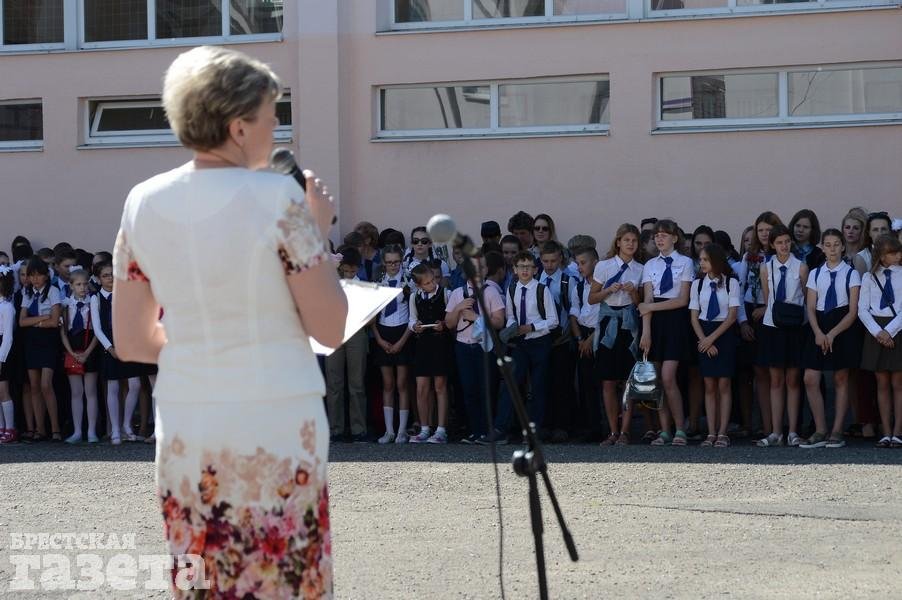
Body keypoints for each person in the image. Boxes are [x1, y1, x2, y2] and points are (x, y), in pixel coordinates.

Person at [110, 46, 345, 597]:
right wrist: (318, 229)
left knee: (204, 580)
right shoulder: (280, 198)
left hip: (188, 422)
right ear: (239, 127)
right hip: (275, 419)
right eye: (270, 116)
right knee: (286, 578)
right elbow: (329, 326)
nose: (276, 127)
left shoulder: (142, 201)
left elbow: (132, 340)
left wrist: (203, 346)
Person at [478, 251, 557, 445]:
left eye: (529, 267)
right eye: (521, 267)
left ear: (535, 270)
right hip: (521, 342)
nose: (525, 270)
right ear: (514, 270)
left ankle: (533, 431)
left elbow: (553, 320)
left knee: (538, 387)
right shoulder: (512, 289)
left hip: (539, 342)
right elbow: (511, 315)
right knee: (511, 383)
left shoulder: (542, 290)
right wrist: (512, 327)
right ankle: (501, 429)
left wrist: (531, 327)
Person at [798, 229, 860, 449]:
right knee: (810, 378)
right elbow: (810, 307)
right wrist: (818, 332)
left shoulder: (852, 274)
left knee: (841, 377)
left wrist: (833, 333)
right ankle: (820, 429)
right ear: (822, 248)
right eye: (828, 245)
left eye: (836, 244)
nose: (832, 249)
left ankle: (837, 430)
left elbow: (853, 311)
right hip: (819, 324)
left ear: (842, 247)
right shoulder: (816, 273)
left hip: (842, 326)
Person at [638, 220, 694, 446]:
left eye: (664, 234)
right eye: (656, 235)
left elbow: (682, 299)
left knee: (669, 376)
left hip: (675, 320)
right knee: (658, 380)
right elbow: (647, 299)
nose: (659, 238)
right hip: (655, 322)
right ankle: (664, 430)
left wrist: (650, 307)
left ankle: (680, 428)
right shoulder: (650, 264)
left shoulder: (686, 262)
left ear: (675, 238)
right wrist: (646, 332)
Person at [445, 251, 506, 444]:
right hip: (463, 346)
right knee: (469, 390)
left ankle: (489, 431)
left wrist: (476, 317)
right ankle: (476, 430)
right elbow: (449, 323)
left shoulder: (491, 292)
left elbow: (499, 321)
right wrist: (458, 308)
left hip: (484, 347)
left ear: (486, 269)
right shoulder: (457, 293)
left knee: (486, 389)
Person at [756, 224, 809, 447]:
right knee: (776, 379)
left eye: (787, 241)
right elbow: (768, 297)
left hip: (795, 326)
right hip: (773, 325)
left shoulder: (801, 267)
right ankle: (776, 431)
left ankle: (793, 431)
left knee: (793, 379)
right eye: (779, 242)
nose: (784, 246)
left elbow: (806, 296)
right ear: (772, 245)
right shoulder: (766, 267)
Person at [590, 224, 643, 445]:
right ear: (618, 242)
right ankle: (612, 431)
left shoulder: (640, 269)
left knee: (628, 380)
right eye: (626, 240)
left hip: (628, 324)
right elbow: (592, 298)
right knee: (608, 380)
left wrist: (633, 292)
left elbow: (641, 303)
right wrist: (607, 290)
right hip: (608, 323)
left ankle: (625, 431)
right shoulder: (604, 266)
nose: (630, 244)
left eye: (634, 240)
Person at [735, 212, 782, 439]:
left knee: (774, 373)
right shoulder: (749, 257)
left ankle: (777, 426)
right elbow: (740, 289)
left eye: (768, 230)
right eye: (760, 230)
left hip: (774, 316)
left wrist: (767, 308)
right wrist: (743, 321)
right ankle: (766, 425)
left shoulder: (781, 255)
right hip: (751, 313)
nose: (764, 234)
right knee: (759, 372)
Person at [689, 244, 740, 448]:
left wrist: (711, 339)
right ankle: (710, 432)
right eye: (700, 259)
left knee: (724, 384)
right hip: (704, 332)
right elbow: (694, 317)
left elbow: (732, 315)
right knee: (709, 384)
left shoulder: (731, 283)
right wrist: (704, 340)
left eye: (706, 260)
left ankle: (722, 432)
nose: (701, 263)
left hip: (723, 334)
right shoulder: (697, 284)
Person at [91, 261, 144, 444]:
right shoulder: (96, 298)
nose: (110, 278)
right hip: (110, 347)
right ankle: (115, 429)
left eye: (113, 274)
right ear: (98, 279)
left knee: (135, 384)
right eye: (105, 275)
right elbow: (97, 328)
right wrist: (110, 348)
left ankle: (126, 425)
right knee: (113, 387)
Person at [858, 235, 902, 448]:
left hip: (897, 329)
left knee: (898, 384)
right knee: (882, 383)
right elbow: (862, 309)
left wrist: (889, 331)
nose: (898, 255)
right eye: (893, 253)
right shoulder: (869, 277)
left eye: (899, 251)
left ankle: (898, 431)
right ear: (882, 256)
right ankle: (885, 431)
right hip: (875, 331)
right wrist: (879, 332)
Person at [325, 248, 369, 443]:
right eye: (346, 270)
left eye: (353, 270)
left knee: (356, 383)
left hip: (356, 333)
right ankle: (336, 429)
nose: (350, 274)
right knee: (334, 382)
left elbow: (370, 318)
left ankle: (358, 429)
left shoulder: (363, 286)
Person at [372, 245, 414, 444]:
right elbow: (372, 316)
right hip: (383, 331)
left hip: (402, 331)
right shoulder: (377, 282)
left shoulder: (408, 282)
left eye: (396, 262)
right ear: (384, 262)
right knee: (387, 384)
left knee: (402, 383)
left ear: (401, 261)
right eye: (389, 262)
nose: (393, 266)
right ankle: (389, 430)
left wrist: (402, 341)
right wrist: (379, 339)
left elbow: (413, 315)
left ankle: (402, 431)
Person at [407, 263, 452, 444]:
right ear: (418, 285)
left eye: (433, 280)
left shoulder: (445, 294)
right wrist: (414, 326)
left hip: (440, 343)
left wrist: (444, 324)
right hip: (423, 344)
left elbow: (450, 319)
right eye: (427, 283)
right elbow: (411, 319)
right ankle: (425, 428)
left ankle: (441, 430)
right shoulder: (414, 297)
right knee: (421, 388)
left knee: (440, 386)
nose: (432, 284)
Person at [19, 256, 63, 442]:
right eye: (32, 275)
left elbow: (54, 321)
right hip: (32, 340)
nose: (35, 279)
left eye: (38, 275)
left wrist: (36, 321)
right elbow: (22, 321)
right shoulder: (27, 292)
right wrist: (42, 318)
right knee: (34, 385)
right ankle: (40, 428)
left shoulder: (53, 291)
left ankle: (55, 428)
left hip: (48, 340)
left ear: (46, 275)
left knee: (46, 384)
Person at [538, 241, 576, 443]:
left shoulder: (568, 281)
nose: (549, 265)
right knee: (542, 382)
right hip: (540, 337)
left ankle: (562, 426)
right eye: (545, 261)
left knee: (562, 383)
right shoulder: (536, 279)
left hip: (562, 338)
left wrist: (568, 334)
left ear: (560, 258)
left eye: (553, 261)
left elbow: (572, 310)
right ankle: (545, 424)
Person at [60, 268, 101, 444]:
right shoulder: (65, 305)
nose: (82, 288)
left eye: (85, 284)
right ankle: (77, 431)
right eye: (78, 284)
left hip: (89, 347)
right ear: (71, 286)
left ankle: (91, 431)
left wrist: (87, 353)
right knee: (76, 392)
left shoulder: (93, 302)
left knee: (91, 391)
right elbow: (63, 332)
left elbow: (97, 331)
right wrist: (71, 353)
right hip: (72, 349)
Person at [567, 246, 602, 443]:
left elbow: (605, 315)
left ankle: (604, 426)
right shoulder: (578, 287)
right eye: (577, 263)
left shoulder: (604, 286)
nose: (580, 267)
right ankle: (589, 426)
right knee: (585, 383)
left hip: (600, 335)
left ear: (595, 263)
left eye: (583, 263)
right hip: (583, 335)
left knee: (603, 383)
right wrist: (580, 339)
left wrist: (591, 339)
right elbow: (574, 314)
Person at [0, 266, 16, 443]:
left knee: (3, 391)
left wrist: (1, 358)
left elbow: (8, 337)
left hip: (2, 349)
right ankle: (1, 426)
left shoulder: (6, 307)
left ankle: (10, 428)